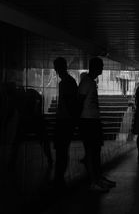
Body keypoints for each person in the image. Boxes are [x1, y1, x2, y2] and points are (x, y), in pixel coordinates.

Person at [78, 57, 115, 192]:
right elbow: (79, 101)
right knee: (91, 151)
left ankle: (98, 178)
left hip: (92, 120)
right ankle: (94, 181)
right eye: (101, 66)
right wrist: (80, 121)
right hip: (88, 121)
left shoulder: (91, 82)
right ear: (95, 67)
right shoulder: (86, 82)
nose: (103, 68)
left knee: (96, 150)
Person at [53, 57, 78, 189]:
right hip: (66, 120)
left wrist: (70, 120)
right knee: (62, 149)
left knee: (61, 150)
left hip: (64, 121)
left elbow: (69, 104)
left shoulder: (66, 83)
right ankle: (59, 176)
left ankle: (59, 177)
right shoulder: (69, 81)